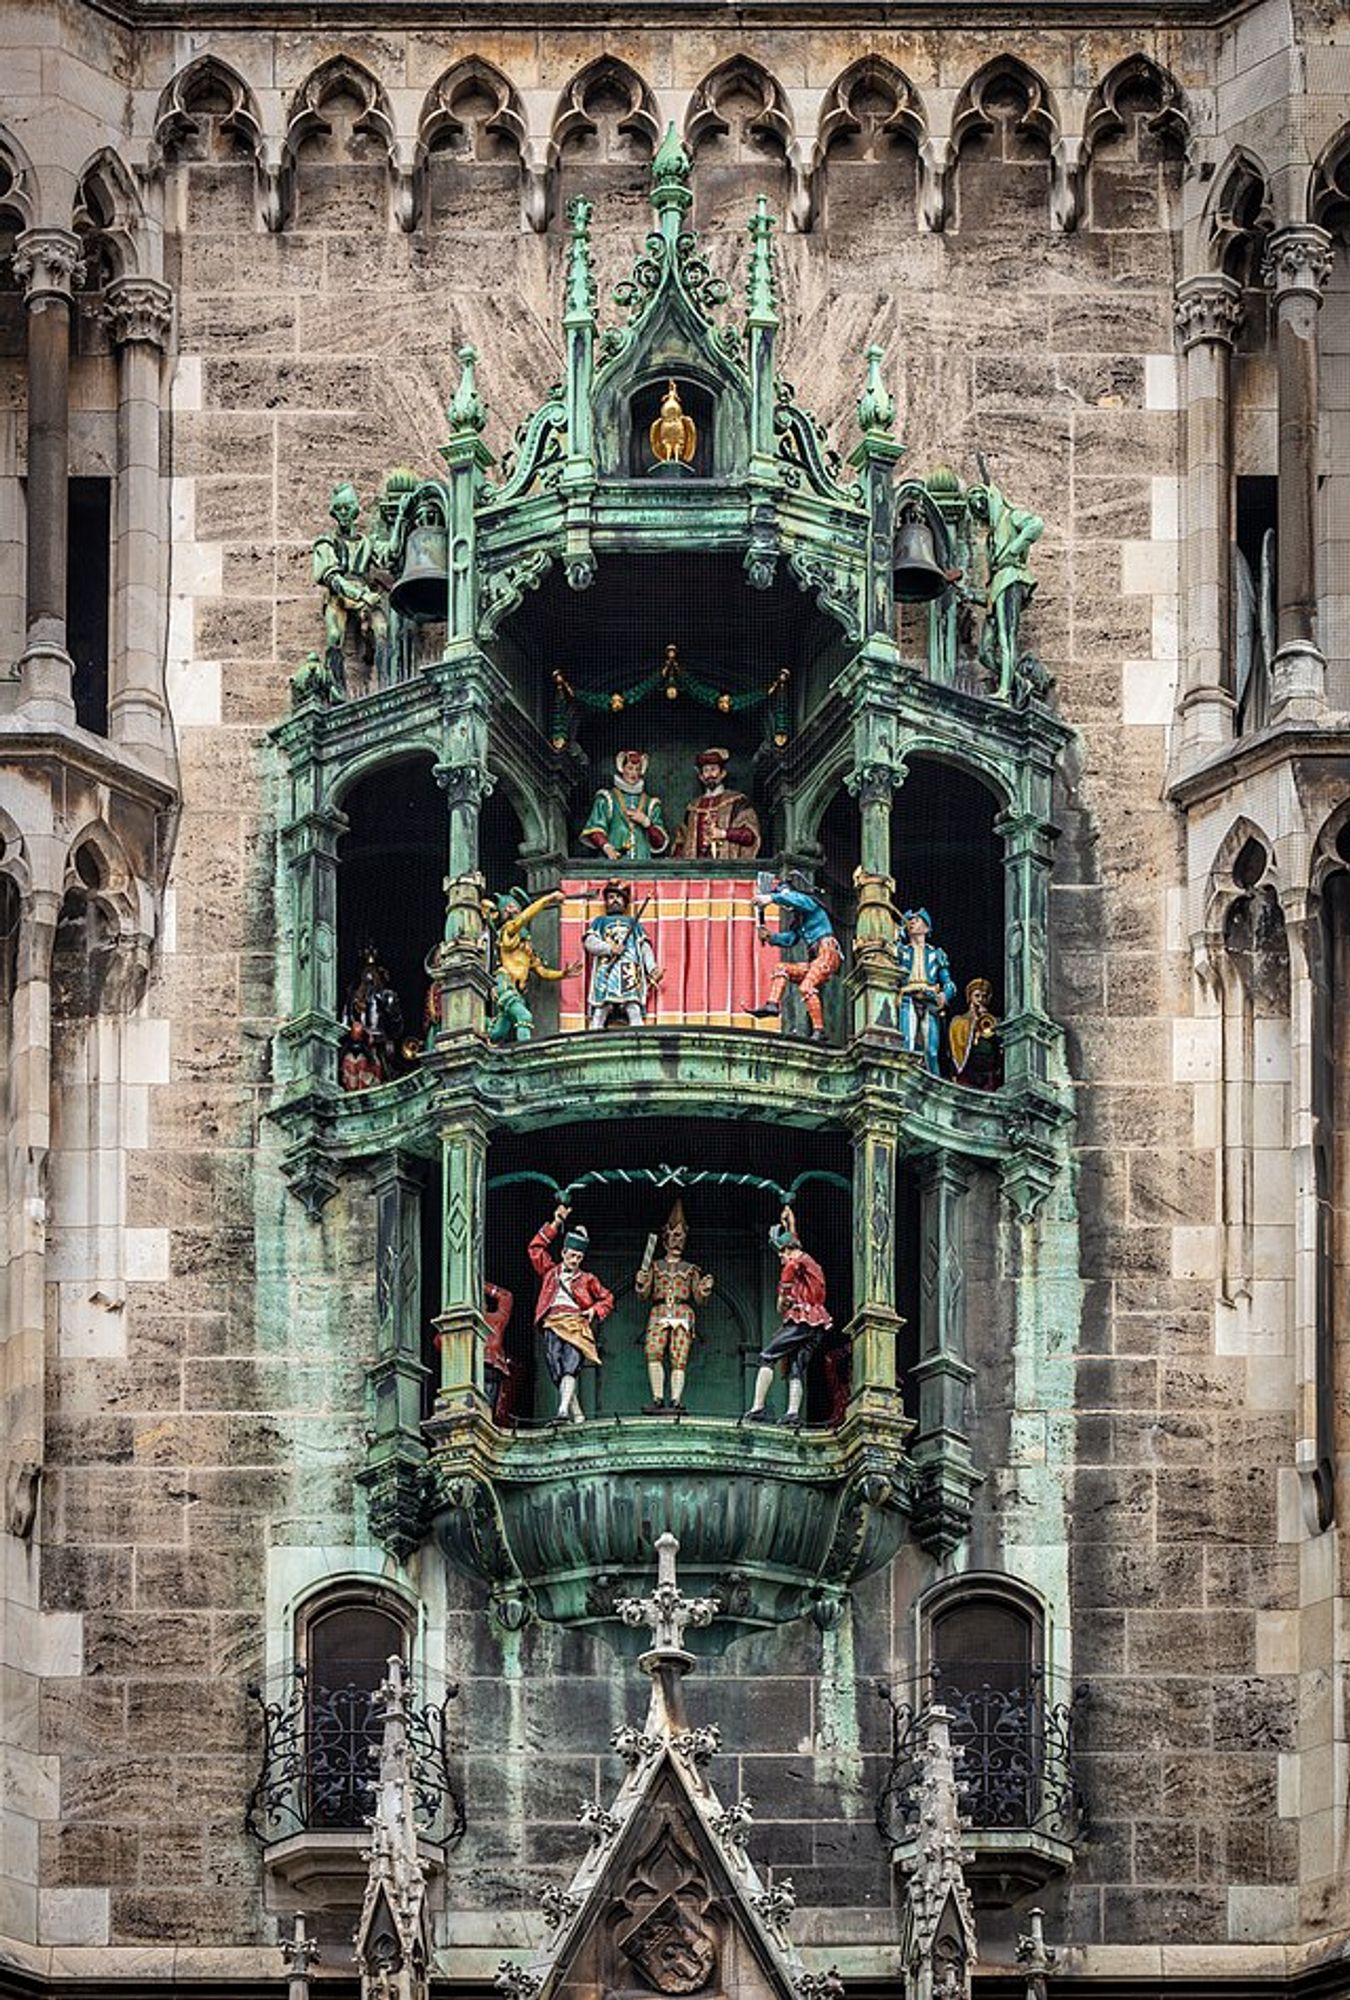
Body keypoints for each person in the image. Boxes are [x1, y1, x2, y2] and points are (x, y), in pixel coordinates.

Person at [745, 1207, 832, 1428]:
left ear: (789, 1250)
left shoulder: (796, 1262)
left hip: (803, 1320)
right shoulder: (808, 1263)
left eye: (781, 1253)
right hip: (817, 1324)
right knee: (796, 1368)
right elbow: (795, 1248)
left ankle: (758, 1408)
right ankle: (793, 1413)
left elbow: (791, 1264)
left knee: (767, 1356)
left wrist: (783, 1294)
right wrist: (790, 1224)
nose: (781, 1258)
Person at [527, 1205, 614, 1426]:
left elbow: (607, 1298)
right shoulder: (550, 1272)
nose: (575, 1260)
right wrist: (556, 1223)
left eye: (579, 1257)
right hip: (552, 1323)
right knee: (557, 1367)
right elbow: (535, 1248)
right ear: (563, 1253)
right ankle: (577, 1414)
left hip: (575, 1324)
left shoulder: (587, 1278)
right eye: (572, 1255)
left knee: (570, 1366)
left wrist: (594, 1310)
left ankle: (563, 1411)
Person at [967, 481, 1045, 702]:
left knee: (1006, 637)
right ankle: (1019, 682)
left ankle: (1004, 692)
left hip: (1011, 578)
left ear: (991, 499)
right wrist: (970, 595)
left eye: (981, 503)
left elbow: (1036, 524)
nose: (979, 509)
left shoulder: (1011, 517)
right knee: (985, 653)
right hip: (999, 582)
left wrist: (1014, 548)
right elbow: (991, 591)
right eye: (975, 507)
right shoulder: (991, 537)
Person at [634, 1201, 714, 1414]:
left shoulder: (690, 1269)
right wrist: (641, 1282)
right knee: (653, 1351)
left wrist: (704, 1289)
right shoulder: (654, 1266)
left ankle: (676, 1400)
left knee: (679, 1356)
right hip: (659, 1311)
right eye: (673, 1235)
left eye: (681, 1236)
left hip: (681, 1312)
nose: (677, 1240)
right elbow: (643, 1295)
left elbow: (698, 1298)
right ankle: (658, 1398)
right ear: (665, 1237)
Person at [746, 872, 841, 1043]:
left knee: (806, 987)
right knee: (781, 968)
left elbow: (796, 900)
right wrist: (770, 937)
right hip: (817, 959)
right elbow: (790, 939)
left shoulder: (810, 904)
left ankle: (819, 1031)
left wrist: (771, 898)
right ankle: (773, 1004)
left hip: (827, 952)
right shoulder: (801, 921)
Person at [311, 481, 382, 696]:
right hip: (338, 597)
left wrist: (400, 521)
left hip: (364, 595)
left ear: (355, 511)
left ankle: (382, 670)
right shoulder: (326, 542)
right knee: (333, 635)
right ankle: (336, 688)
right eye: (339, 508)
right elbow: (331, 577)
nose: (343, 513)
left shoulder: (366, 542)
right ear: (333, 512)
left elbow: (389, 555)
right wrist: (360, 594)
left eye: (347, 508)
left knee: (381, 630)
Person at [484, 887, 578, 1044]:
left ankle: (478, 1025)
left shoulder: (526, 947)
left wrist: (563, 974)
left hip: (516, 991)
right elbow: (525, 917)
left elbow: (542, 972)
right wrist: (549, 899)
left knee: (497, 1033)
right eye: (510, 906)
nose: (514, 909)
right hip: (505, 983)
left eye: (515, 906)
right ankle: (524, 1051)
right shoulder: (508, 931)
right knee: (524, 1017)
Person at [584, 880, 664, 1029]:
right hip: (607, 967)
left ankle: (638, 1036)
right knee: (601, 1008)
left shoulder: (633, 923)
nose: (615, 900)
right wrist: (609, 948)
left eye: (619, 897)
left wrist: (652, 968)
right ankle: (594, 1034)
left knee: (633, 1007)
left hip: (629, 970)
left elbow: (644, 946)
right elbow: (589, 941)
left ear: (625, 901)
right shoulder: (600, 921)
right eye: (611, 897)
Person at [671, 748, 761, 861]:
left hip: (727, 868)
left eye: (713, 769)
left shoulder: (737, 801)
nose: (710, 775)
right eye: (706, 770)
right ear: (701, 776)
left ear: (722, 773)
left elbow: (750, 835)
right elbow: (681, 842)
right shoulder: (692, 808)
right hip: (695, 871)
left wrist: (723, 833)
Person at [896, 908, 957, 1075]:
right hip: (909, 998)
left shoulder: (936, 954)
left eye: (917, 920)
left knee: (931, 1051)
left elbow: (949, 983)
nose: (912, 923)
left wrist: (945, 995)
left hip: (930, 1001)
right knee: (907, 1044)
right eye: (910, 921)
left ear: (926, 928)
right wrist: (898, 934)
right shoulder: (901, 951)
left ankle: (933, 1082)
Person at [580, 749, 669, 862]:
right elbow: (594, 829)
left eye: (637, 769)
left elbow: (660, 842)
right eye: (630, 768)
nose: (634, 773)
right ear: (622, 769)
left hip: (642, 862)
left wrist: (646, 822)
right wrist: (606, 846)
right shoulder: (607, 798)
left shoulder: (651, 804)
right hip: (614, 862)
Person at [948, 976, 1002, 1089]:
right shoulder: (959, 1021)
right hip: (968, 1072)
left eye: (984, 996)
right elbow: (956, 1045)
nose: (980, 1000)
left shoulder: (994, 1021)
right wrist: (973, 1021)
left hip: (988, 1072)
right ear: (970, 997)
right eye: (977, 996)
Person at [483, 1282, 514, 1423]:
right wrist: (483, 1286)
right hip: (491, 1367)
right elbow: (505, 1296)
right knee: (488, 1406)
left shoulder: (493, 1320)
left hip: (478, 1368)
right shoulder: (496, 1321)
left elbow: (439, 1342)